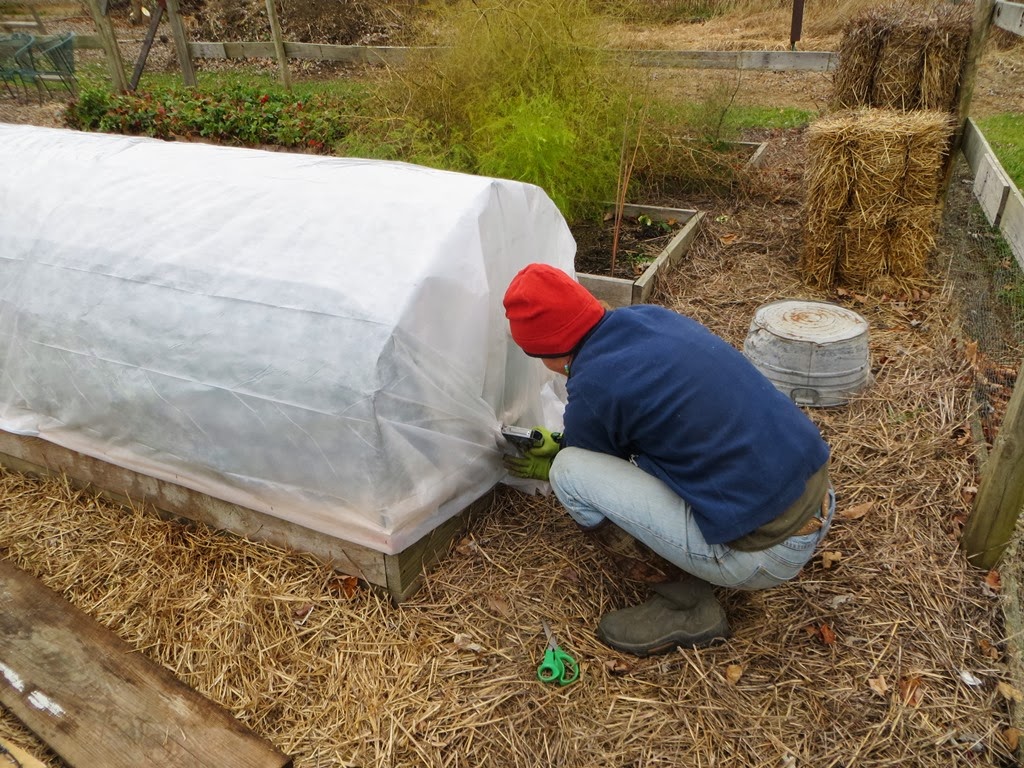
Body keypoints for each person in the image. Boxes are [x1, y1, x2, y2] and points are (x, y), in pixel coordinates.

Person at [502, 263, 834, 657]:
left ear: (547, 352)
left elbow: (592, 460)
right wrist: (569, 438)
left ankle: (687, 606)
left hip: (768, 552)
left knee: (569, 473)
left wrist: (561, 454)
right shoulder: (648, 318)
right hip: (816, 492)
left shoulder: (592, 385)